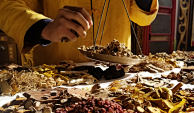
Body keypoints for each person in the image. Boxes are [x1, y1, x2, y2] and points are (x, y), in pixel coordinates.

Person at [0, 0, 158, 65]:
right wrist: (44, 27)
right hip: (57, 74)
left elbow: (144, 18)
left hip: (117, 71)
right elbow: (7, 5)